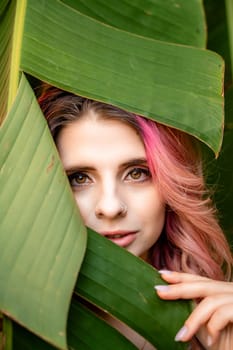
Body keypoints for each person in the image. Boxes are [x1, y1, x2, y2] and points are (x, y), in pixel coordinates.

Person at [38, 84, 233, 350]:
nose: (110, 207)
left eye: (137, 173)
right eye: (79, 178)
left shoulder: (217, 321)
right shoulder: (15, 326)